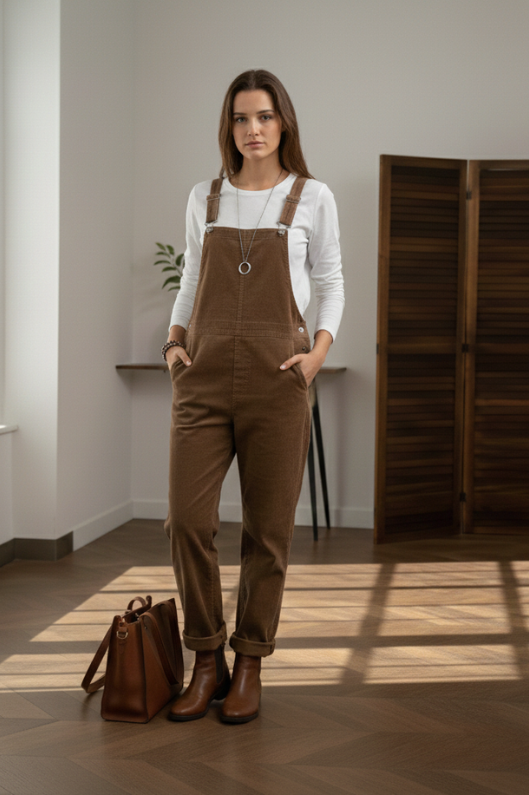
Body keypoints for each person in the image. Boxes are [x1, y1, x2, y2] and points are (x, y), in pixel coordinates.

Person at [162, 69, 344, 724]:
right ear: (229, 127)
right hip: (203, 378)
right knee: (187, 522)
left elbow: (331, 281)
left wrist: (316, 356)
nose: (254, 129)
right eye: (242, 118)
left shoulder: (312, 197)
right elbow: (189, 278)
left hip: (278, 382)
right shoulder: (203, 197)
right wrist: (174, 345)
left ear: (283, 122)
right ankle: (205, 657)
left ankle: (250, 663)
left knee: (267, 535)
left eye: (265, 116)